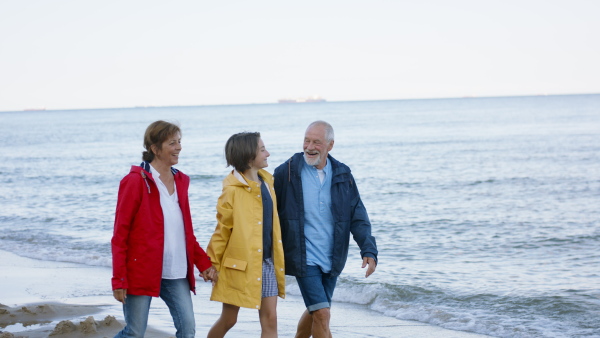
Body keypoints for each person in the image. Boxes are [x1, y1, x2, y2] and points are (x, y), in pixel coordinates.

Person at [273, 120, 378, 338]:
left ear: (330, 145)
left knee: (317, 311)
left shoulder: (342, 173)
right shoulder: (287, 173)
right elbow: (268, 214)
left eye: (317, 142)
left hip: (332, 257)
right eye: (306, 140)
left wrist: (368, 249)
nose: (310, 147)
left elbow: (357, 213)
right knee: (322, 313)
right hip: (303, 257)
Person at [111, 120, 216, 338]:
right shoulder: (135, 182)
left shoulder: (181, 181)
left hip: (175, 271)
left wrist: (203, 264)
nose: (179, 147)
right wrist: (119, 279)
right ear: (155, 148)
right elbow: (120, 235)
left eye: (179, 142)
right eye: (172, 143)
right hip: (141, 271)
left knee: (188, 330)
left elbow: (185, 233)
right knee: (134, 333)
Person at [206, 132, 286, 338]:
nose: (267, 153)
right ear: (249, 156)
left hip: (267, 262)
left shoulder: (268, 183)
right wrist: (212, 263)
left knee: (270, 319)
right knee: (229, 319)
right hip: (238, 266)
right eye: (262, 150)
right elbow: (222, 230)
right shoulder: (232, 191)